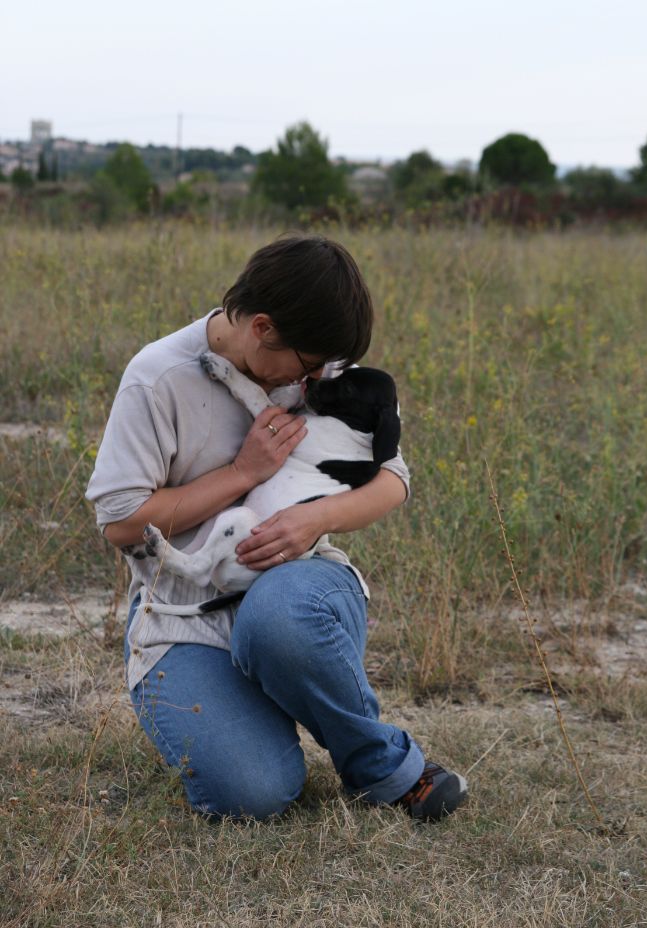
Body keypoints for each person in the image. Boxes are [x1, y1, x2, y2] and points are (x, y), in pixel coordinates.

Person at [86, 232, 468, 822]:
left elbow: (392, 480)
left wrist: (313, 519)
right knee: (255, 794)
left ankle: (382, 766)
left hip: (294, 588)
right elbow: (120, 524)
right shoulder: (157, 378)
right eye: (309, 366)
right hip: (182, 615)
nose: (317, 379)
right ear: (262, 328)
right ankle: (253, 697)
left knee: (280, 619)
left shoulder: (319, 361)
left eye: (327, 366)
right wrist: (243, 472)